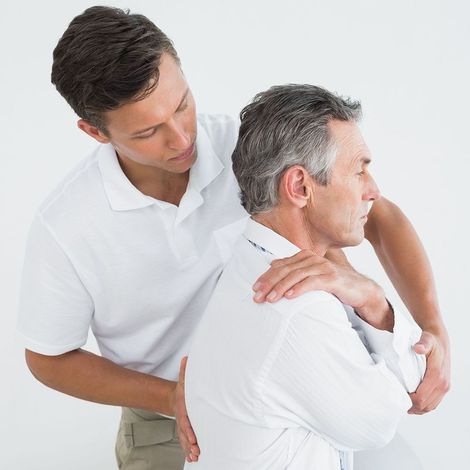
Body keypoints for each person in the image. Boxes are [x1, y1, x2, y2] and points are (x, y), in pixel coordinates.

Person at [17, 6, 449, 469]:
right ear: (94, 132)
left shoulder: (242, 147)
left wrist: (432, 328)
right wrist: (175, 396)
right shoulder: (66, 226)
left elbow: (377, 214)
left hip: (297, 383)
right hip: (167, 411)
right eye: (148, 131)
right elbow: (48, 357)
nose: (182, 137)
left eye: (182, 103)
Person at [184, 84, 426, 470]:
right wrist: (373, 298)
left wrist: (371, 301)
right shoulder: (294, 307)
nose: (374, 191)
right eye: (359, 170)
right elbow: (386, 418)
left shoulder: (249, 266)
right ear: (300, 187)